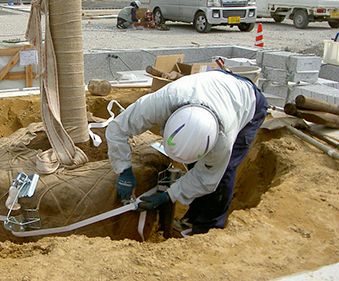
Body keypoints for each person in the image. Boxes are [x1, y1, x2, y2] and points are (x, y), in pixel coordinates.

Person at [106, 70, 269, 235]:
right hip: (213, 83)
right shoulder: (159, 104)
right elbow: (117, 129)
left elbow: (207, 178)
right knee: (195, 165)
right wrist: (124, 170)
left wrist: (169, 195)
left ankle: (208, 227)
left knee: (224, 172)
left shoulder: (223, 140)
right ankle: (191, 217)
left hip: (248, 100)